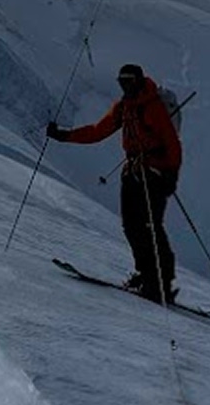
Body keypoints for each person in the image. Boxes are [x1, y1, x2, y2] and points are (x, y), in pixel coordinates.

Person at [49, 64, 184, 302]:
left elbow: (172, 143)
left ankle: (158, 282)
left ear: (139, 80)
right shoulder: (125, 108)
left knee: (147, 225)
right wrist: (64, 135)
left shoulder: (152, 107)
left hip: (154, 173)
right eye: (122, 82)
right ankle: (148, 276)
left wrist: (170, 176)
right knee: (133, 225)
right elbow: (97, 131)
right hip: (134, 171)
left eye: (129, 81)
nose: (125, 86)